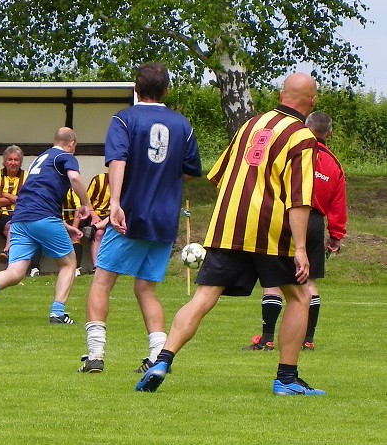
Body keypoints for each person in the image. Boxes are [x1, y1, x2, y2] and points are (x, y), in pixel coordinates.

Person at [136, 72, 325, 396]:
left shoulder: (249, 126)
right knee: (300, 297)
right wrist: (300, 248)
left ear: (281, 94)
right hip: (270, 229)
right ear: (313, 100)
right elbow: (299, 199)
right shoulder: (303, 138)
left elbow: (218, 176)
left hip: (227, 225)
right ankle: (287, 378)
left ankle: (163, 359)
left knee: (204, 297)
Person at [78, 62, 202, 374]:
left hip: (132, 215)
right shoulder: (182, 125)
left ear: (136, 88)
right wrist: (164, 177)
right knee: (146, 289)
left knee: (102, 281)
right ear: (167, 90)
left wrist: (116, 202)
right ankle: (159, 356)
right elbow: (190, 171)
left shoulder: (124, 119)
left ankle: (95, 355)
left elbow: (117, 161)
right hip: (165, 218)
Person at [243, 111, 347, 352]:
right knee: (307, 280)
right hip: (314, 224)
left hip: (287, 217)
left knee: (273, 279)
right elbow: (338, 204)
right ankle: (307, 339)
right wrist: (336, 235)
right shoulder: (334, 164)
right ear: (329, 134)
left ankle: (268, 338)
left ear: (303, 127)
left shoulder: (292, 151)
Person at [0, 127, 91, 324]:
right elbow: (74, 178)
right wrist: (86, 204)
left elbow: (37, 197)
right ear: (71, 144)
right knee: (69, 263)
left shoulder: (41, 158)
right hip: (44, 217)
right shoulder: (66, 156)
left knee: (16, 271)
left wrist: (65, 226)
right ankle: (58, 312)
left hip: (20, 218)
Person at [0, 145, 27, 264]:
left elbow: (26, 200)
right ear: (5, 162)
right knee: (14, 228)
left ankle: (8, 255)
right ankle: (8, 254)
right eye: (10, 159)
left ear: (20, 162)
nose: (13, 163)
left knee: (15, 230)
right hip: (1, 216)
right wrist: (16, 197)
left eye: (16, 160)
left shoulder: (27, 176)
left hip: (21, 214)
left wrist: (6, 194)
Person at [81, 172, 111, 273]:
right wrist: (94, 215)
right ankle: (97, 267)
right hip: (96, 213)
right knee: (99, 233)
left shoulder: (126, 181)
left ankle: (94, 227)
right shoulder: (99, 179)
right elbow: (86, 201)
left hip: (114, 215)